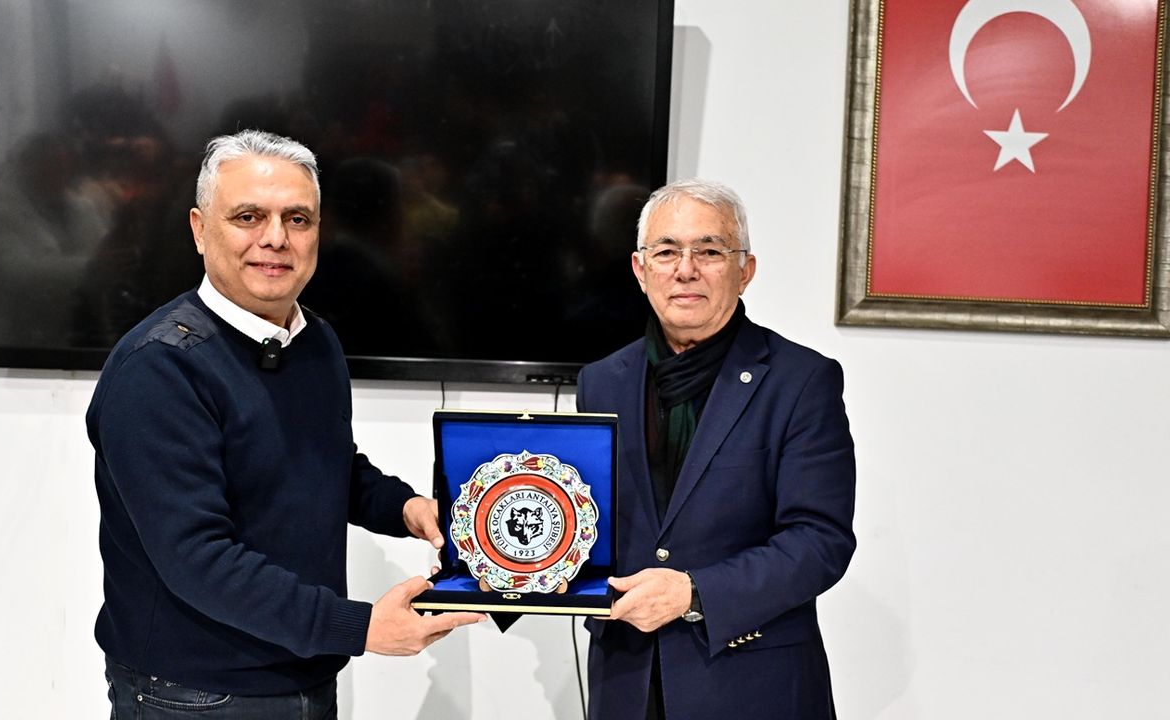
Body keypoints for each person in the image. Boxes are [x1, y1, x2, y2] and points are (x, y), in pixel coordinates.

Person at [86, 129, 484, 719]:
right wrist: (362, 627)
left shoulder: (314, 340)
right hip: (193, 694)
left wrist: (405, 508)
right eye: (248, 216)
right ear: (200, 230)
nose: (275, 238)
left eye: (298, 219)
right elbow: (198, 558)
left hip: (305, 673)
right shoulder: (159, 369)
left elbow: (322, 464)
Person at [575, 179, 856, 719]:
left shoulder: (801, 381)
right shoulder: (601, 382)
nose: (685, 270)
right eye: (666, 252)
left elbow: (821, 540)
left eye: (708, 252)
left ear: (745, 270)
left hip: (751, 684)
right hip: (626, 681)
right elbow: (586, 522)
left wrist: (693, 592)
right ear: (640, 269)